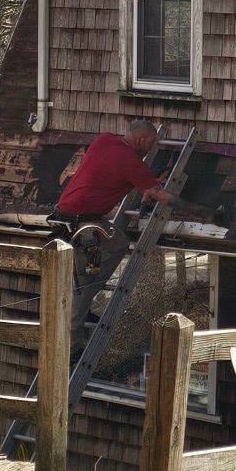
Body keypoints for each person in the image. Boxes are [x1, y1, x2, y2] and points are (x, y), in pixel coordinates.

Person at [50, 120, 171, 354]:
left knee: (117, 243)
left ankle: (89, 291)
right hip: (85, 228)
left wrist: (146, 185)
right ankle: (72, 349)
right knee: (84, 284)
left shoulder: (104, 140)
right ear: (142, 141)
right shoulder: (131, 163)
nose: (151, 148)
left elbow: (118, 173)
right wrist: (196, 207)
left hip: (72, 216)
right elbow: (160, 195)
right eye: (151, 144)